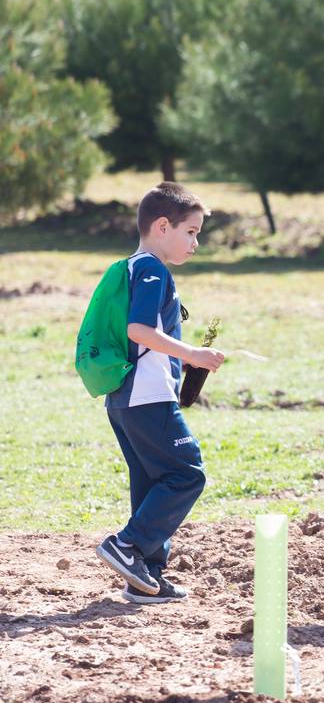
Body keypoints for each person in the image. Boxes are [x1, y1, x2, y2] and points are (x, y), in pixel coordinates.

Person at [94, 182, 225, 603]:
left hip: (124, 397)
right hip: (147, 397)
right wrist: (192, 351)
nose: (196, 242)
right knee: (187, 472)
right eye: (190, 231)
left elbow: (143, 339)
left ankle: (145, 577)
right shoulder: (152, 268)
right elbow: (139, 330)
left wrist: (184, 361)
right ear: (162, 225)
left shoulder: (135, 266)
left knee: (151, 483)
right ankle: (127, 546)